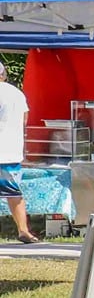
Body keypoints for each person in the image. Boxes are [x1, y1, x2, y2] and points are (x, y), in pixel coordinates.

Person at [0, 58, 33, 243]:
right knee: (14, 193)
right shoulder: (17, 93)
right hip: (11, 151)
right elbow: (24, 120)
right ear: (3, 75)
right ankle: (23, 230)